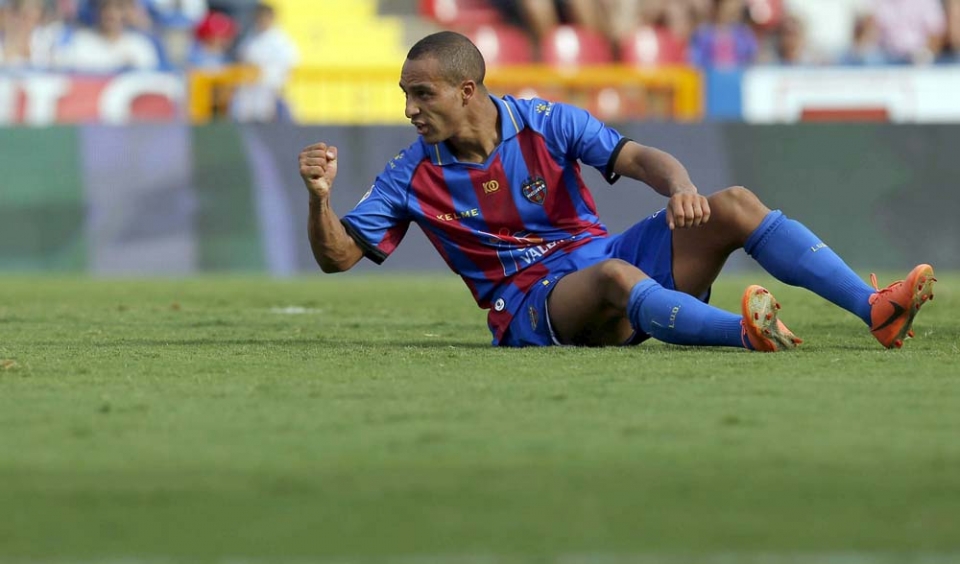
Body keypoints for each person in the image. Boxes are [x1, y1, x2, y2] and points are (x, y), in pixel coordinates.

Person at [297, 31, 936, 351]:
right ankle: (746, 335)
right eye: (406, 95)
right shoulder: (410, 173)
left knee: (735, 202)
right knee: (614, 277)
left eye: (421, 93)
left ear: (467, 92)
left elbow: (636, 156)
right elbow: (339, 257)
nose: (409, 108)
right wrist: (321, 197)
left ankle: (874, 309)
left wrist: (682, 185)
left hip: (606, 255)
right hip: (531, 307)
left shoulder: (547, 123)